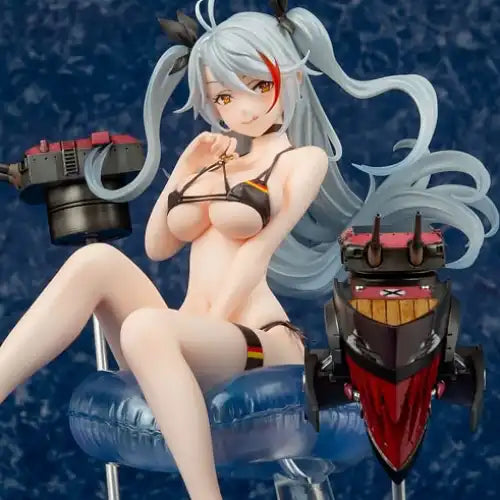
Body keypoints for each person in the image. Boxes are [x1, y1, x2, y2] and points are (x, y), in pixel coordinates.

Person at [0, 1, 497, 499]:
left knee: (145, 327)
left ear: (292, 77)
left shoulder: (301, 161)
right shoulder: (212, 160)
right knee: (94, 261)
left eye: (258, 85)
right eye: (223, 96)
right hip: (195, 329)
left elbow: (256, 254)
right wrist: (186, 167)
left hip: (258, 337)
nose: (242, 108)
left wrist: (199, 326)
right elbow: (157, 246)